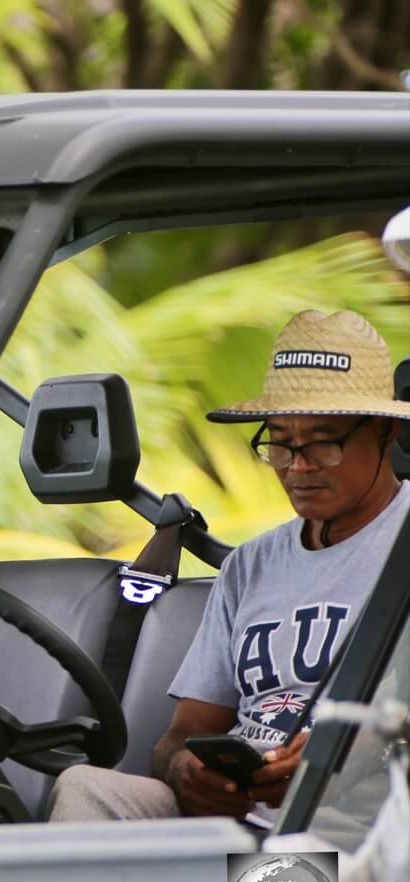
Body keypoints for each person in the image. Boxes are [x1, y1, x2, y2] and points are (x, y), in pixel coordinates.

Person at [50, 310, 409, 822]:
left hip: (356, 826)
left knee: (276, 880)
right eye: (281, 443)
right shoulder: (250, 566)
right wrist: (185, 770)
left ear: (384, 433)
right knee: (85, 788)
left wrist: (344, 760)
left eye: (323, 443)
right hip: (232, 820)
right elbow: (181, 734)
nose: (298, 466)